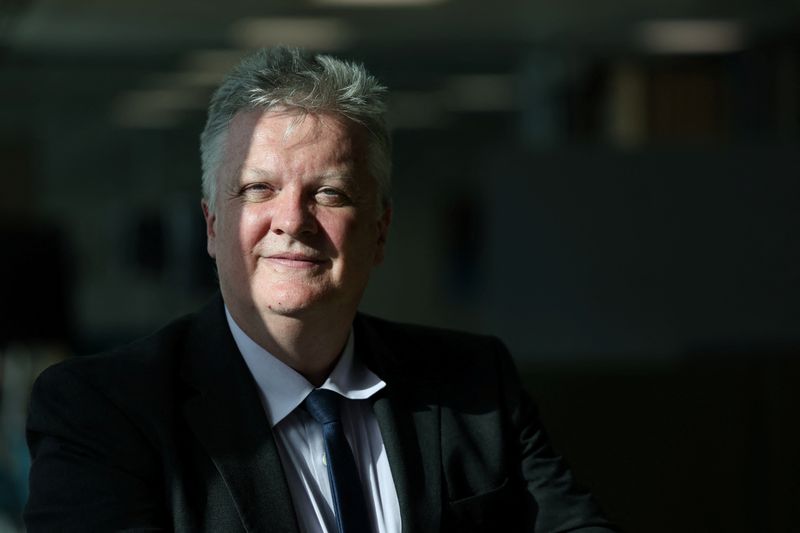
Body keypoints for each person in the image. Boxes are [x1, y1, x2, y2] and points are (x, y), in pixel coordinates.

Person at [24, 46, 618, 532]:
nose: (292, 220)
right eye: (258, 189)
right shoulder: (103, 413)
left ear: (380, 231)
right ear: (211, 226)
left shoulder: (475, 383)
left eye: (329, 193)